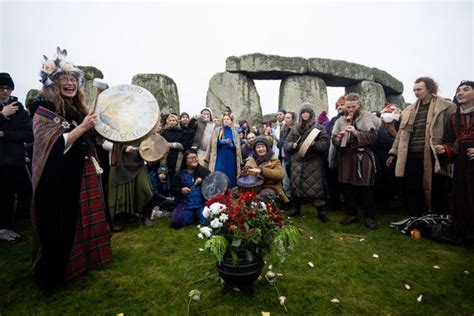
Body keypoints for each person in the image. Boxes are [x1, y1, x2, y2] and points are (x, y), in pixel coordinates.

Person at [29, 48, 112, 289]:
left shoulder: (77, 109)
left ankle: (83, 263)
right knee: (62, 225)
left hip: (80, 174)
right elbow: (54, 145)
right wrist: (83, 127)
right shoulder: (42, 107)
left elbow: (91, 139)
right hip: (57, 181)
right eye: (63, 79)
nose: (69, 83)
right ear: (53, 83)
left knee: (81, 221)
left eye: (73, 79)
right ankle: (57, 273)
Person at [387, 77, 455, 216]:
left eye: (419, 89)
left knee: (437, 188)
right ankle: (415, 218)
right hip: (412, 154)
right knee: (413, 188)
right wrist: (393, 153)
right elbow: (401, 134)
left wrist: (449, 148)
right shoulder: (409, 110)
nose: (416, 92)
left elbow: (453, 132)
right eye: (414, 90)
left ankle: (437, 219)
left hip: (434, 153)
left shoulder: (446, 107)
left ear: (429, 88)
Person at [332, 93, 380, 229]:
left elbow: (374, 137)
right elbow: (334, 139)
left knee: (366, 188)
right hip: (346, 157)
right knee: (347, 188)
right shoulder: (340, 121)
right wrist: (339, 138)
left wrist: (356, 133)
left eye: (353, 106)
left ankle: (370, 217)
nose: (350, 109)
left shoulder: (368, 118)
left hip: (362, 157)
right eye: (348, 107)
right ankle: (350, 214)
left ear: (359, 105)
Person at [436, 80, 474, 240]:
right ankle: (463, 230)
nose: (460, 93)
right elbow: (450, 141)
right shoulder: (454, 118)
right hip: (461, 162)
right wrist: (444, 149)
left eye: (466, 90)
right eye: (458, 90)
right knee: (460, 195)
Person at [0, 73, 33, 241]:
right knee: (4, 194)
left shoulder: (19, 108)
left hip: (17, 158)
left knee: (26, 190)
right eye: (1, 88)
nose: (5, 91)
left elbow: (29, 134)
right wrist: (2, 114)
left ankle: (18, 220)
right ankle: (4, 228)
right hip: (2, 160)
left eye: (8, 88)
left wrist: (4, 133)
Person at [284, 102, 330, 222]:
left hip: (313, 163)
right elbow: (286, 145)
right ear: (300, 114)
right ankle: (296, 209)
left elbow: (325, 144)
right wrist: (292, 145)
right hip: (297, 163)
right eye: (303, 112)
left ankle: (321, 212)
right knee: (296, 187)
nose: (305, 114)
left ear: (311, 114)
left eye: (307, 112)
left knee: (315, 188)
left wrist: (314, 144)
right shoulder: (295, 129)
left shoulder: (319, 128)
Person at [241, 136, 289, 204]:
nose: (261, 149)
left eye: (263, 146)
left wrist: (262, 170)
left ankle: (267, 212)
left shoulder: (274, 160)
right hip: (253, 187)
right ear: (255, 150)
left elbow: (280, 174)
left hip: (269, 186)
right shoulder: (250, 160)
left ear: (267, 148)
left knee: (264, 195)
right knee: (235, 191)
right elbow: (241, 178)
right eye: (258, 147)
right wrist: (243, 175)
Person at [170, 149, 210, 228]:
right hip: (185, 205)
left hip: (201, 204)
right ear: (185, 161)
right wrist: (181, 190)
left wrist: (202, 181)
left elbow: (211, 187)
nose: (193, 159)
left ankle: (196, 215)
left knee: (206, 222)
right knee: (176, 223)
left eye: (195, 157)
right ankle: (192, 216)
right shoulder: (179, 174)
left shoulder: (204, 172)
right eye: (190, 158)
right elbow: (172, 190)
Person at [206, 112, 242, 188]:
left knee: (231, 174)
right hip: (220, 157)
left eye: (228, 119)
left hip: (231, 158)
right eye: (224, 119)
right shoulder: (217, 130)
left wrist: (232, 145)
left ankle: (231, 194)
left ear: (231, 121)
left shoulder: (235, 132)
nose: (225, 120)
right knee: (219, 173)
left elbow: (238, 147)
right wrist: (220, 142)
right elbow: (212, 144)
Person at [162, 113, 190, 181]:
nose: (172, 122)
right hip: (167, 157)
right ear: (167, 122)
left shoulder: (182, 133)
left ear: (177, 122)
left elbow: (185, 145)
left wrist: (172, 145)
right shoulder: (164, 133)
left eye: (173, 120)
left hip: (178, 158)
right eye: (170, 120)